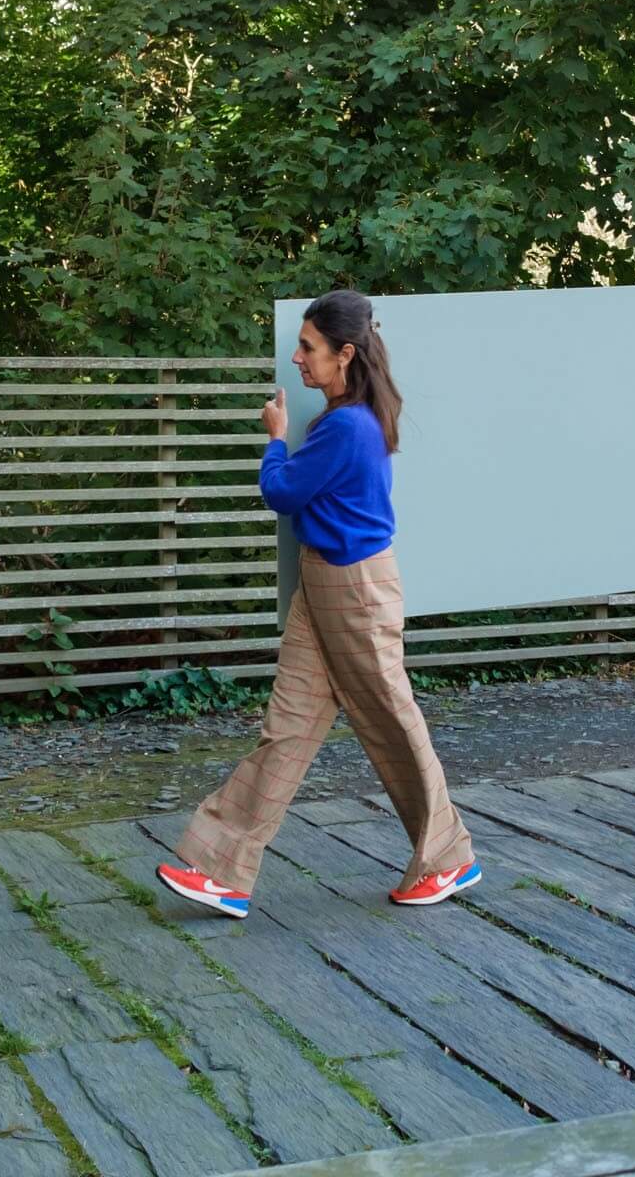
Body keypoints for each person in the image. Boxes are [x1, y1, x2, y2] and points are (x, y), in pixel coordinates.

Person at [154, 290, 479, 919]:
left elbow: (283, 492)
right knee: (289, 727)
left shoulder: (347, 426)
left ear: (345, 353)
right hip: (325, 584)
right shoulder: (347, 418)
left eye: (309, 348)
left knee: (391, 720)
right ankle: (221, 870)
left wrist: (275, 439)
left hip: (354, 591)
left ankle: (448, 858)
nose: (298, 359)